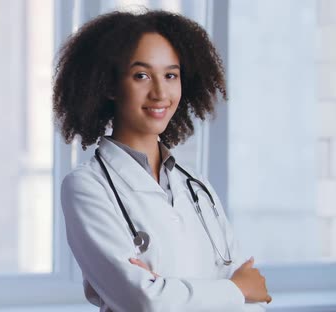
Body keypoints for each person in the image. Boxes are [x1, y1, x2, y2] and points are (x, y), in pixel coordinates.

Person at [53, 9, 271, 312]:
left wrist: (170, 291)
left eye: (171, 75)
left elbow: (253, 300)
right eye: (141, 75)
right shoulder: (86, 187)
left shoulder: (197, 187)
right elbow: (144, 302)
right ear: (109, 85)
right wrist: (234, 290)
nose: (160, 92)